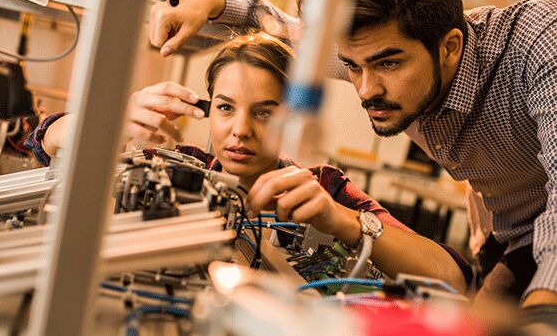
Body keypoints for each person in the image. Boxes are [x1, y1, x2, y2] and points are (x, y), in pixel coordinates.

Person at [147, 0, 557, 306]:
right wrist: (213, 3)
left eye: (388, 64)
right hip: (511, 228)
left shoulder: (539, 43)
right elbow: (279, 28)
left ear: (449, 47)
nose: (365, 90)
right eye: (352, 67)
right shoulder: (377, 53)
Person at [26, 33, 470, 293]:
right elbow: (43, 140)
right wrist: (109, 120)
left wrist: (343, 221)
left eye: (263, 112)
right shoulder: (176, 165)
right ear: (207, 108)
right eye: (225, 108)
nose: (240, 130)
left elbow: (453, 275)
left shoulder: (321, 188)